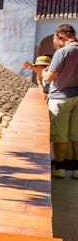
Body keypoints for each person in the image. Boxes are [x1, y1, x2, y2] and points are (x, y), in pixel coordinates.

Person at [42, 24, 78, 178]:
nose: (55, 43)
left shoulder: (62, 52)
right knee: (76, 134)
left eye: (55, 39)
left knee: (60, 135)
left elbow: (50, 77)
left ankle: (60, 168)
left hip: (61, 98)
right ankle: (76, 170)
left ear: (62, 36)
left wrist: (43, 73)